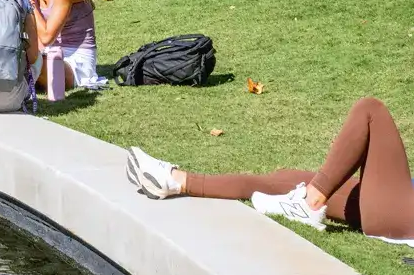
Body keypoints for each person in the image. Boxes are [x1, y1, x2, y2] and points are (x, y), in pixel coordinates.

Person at [126, 98, 414, 241]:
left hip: (402, 212)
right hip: (401, 203)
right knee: (286, 179)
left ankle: (309, 203)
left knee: (370, 110)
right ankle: (175, 181)